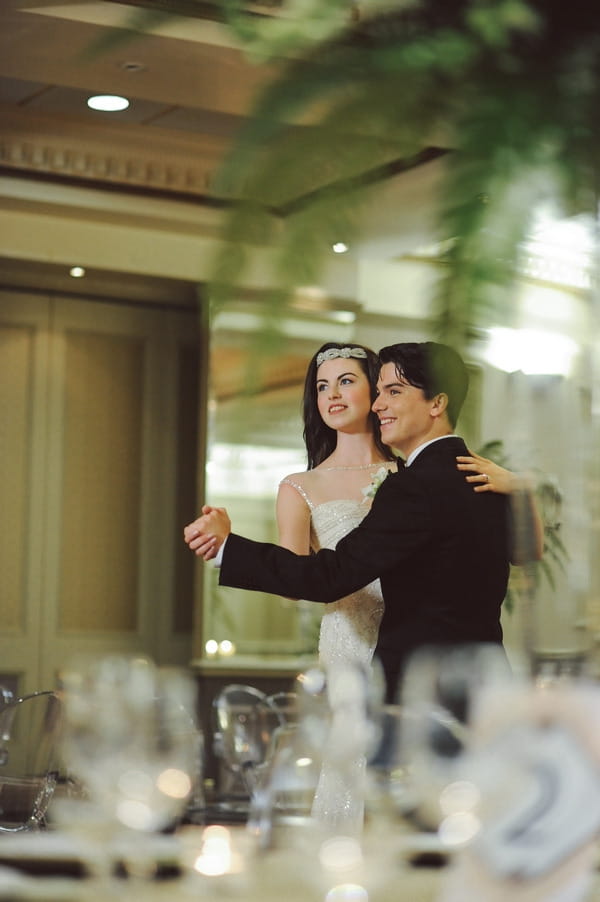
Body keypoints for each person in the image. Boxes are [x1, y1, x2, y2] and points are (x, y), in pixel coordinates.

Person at [186, 341, 529, 706]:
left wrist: (229, 547)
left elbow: (330, 575)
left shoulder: (412, 483)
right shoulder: (480, 477)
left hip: (415, 682)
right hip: (478, 681)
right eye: (321, 386)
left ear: (436, 402)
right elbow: (521, 553)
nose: (379, 402)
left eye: (389, 391)